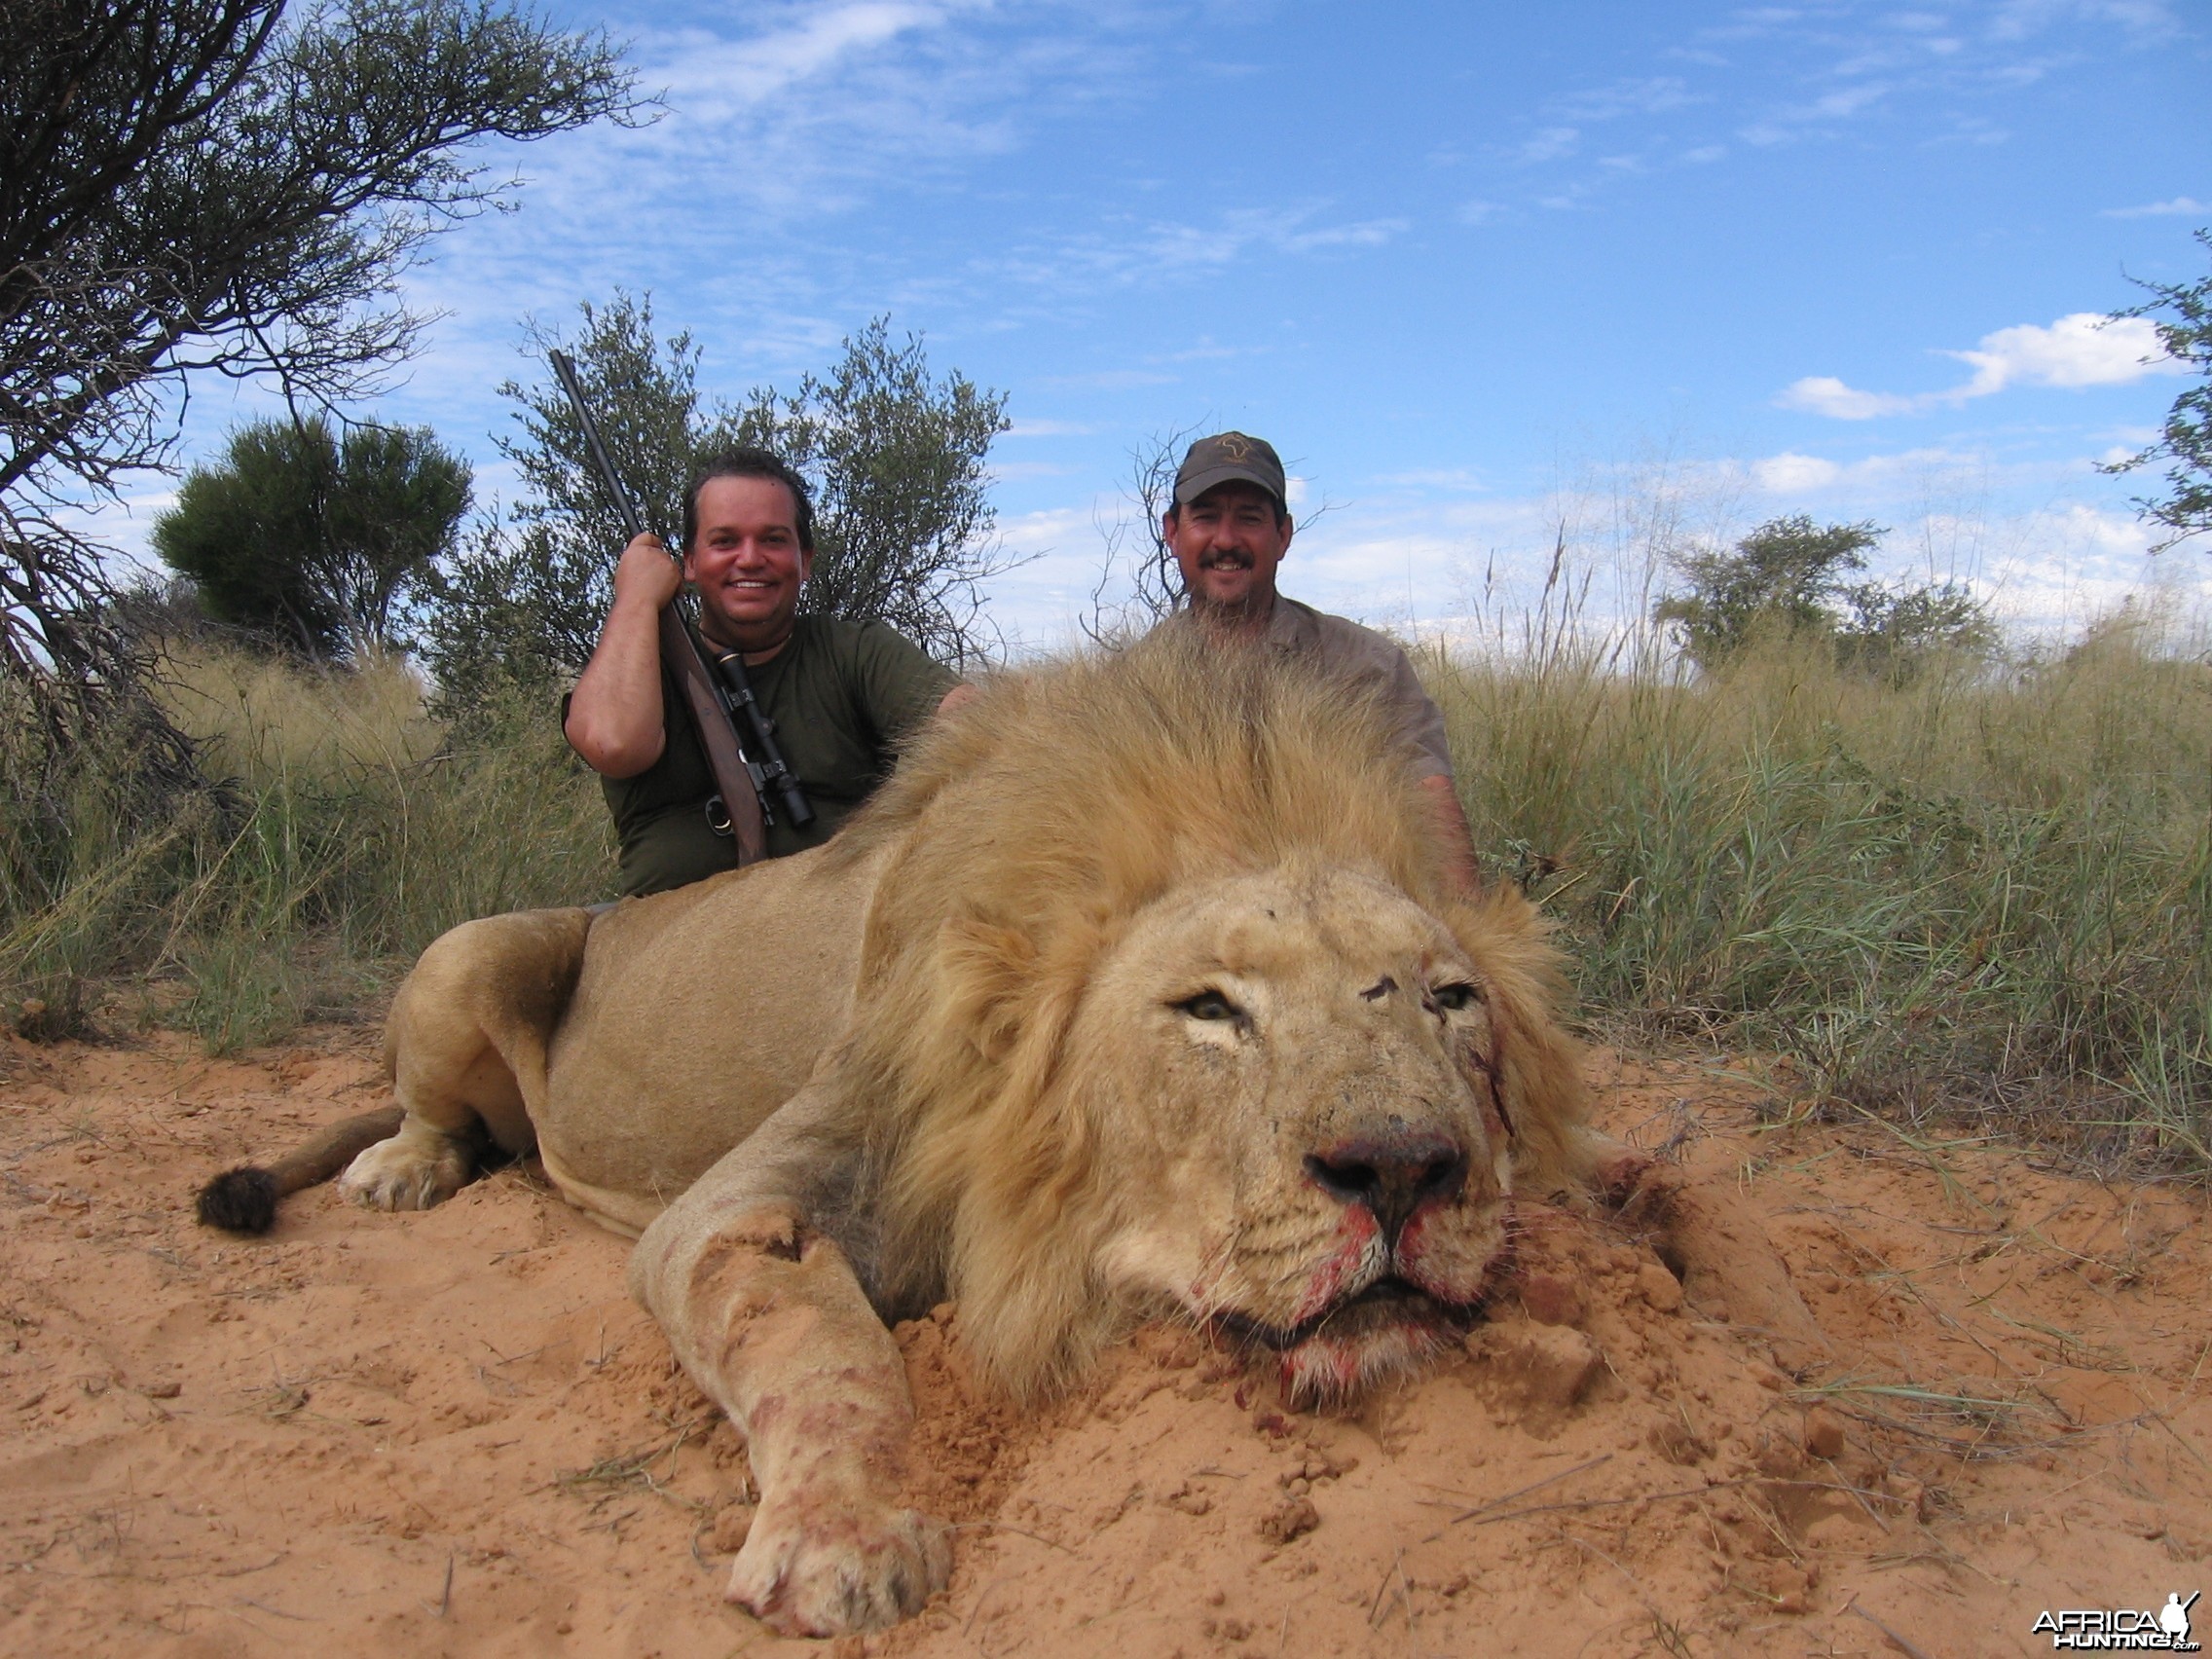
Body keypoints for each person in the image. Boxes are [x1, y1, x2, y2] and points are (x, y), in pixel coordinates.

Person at [564, 448, 968, 897]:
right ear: (689, 564)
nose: (751, 559)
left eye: (773, 540)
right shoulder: (638, 665)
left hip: (839, 930)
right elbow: (612, 742)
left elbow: (967, 721)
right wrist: (636, 599)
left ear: (805, 560)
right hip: (665, 944)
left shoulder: (857, 650)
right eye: (724, 541)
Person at [1159, 430, 1482, 892]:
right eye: (1206, 518)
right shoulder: (1129, 685)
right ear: (1173, 532)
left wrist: (1467, 936)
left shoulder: (1368, 665)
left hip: (1343, 913)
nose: (1226, 540)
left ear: (1283, 535)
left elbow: (1429, 802)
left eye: (1249, 519)